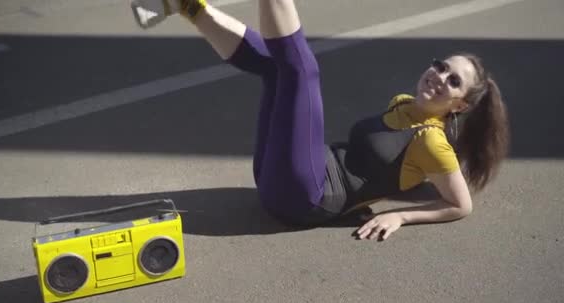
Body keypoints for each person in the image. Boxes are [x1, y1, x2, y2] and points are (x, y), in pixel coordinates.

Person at [130, 0, 510, 240]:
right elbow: (399, 170)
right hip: (282, 176)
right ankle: (188, 6)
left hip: (303, 197)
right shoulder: (404, 103)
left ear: (459, 106)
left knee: (302, 71)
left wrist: (400, 217)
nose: (440, 77)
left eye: (453, 81)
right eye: (442, 67)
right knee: (277, 70)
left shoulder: (432, 142)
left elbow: (461, 205)